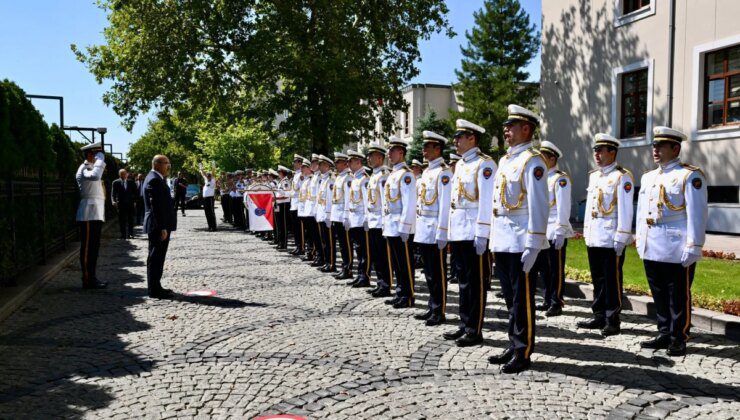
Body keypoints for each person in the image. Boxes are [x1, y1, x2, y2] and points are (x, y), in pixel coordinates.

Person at [487, 105, 549, 373]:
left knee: (522, 300)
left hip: (521, 240)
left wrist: (534, 243)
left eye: (511, 126)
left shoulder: (532, 161)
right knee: (510, 297)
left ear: (526, 129)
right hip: (503, 239)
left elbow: (539, 205)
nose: (506, 130)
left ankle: (523, 351)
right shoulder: (505, 161)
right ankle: (513, 344)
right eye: (506, 126)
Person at [636, 126, 707, 356]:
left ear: (675, 148)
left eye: (660, 146)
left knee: (678, 293)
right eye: (654, 146)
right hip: (652, 242)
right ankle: (664, 331)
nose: (655, 150)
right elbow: (642, 212)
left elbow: (697, 213)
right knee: (658, 292)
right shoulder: (649, 177)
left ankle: (679, 336)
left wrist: (694, 245)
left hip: (677, 245)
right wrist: (639, 238)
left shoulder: (689, 175)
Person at [442, 120, 496, 347]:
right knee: (463, 281)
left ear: (472, 138)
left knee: (476, 283)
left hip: (474, 230)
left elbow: (485, 200)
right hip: (460, 230)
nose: (455, 141)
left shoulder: (485, 165)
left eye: (459, 136)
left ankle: (475, 329)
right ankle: (465, 324)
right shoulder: (463, 164)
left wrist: (483, 233)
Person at [578, 133, 634, 337]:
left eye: (601, 151)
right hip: (595, 236)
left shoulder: (622, 176)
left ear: (612, 152)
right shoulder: (594, 175)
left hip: (611, 237)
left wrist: (622, 235)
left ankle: (613, 319)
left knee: (612, 280)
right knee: (598, 279)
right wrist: (586, 232)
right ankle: (599, 314)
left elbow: (626, 210)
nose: (597, 154)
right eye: (595, 151)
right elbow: (590, 209)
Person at [412, 131, 453, 326]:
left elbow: (445, 205)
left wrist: (442, 231)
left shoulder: (443, 173)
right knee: (428, 272)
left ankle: (439, 309)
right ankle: (432, 306)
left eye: (427, 146)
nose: (423, 150)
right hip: (424, 227)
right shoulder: (427, 171)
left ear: (437, 148)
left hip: (435, 228)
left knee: (438, 272)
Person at [530, 141, 573, 317]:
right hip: (542, 229)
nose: (540, 160)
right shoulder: (541, 177)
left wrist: (561, 229)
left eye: (544, 157)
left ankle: (557, 301)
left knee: (556, 269)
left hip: (555, 229)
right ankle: (547, 298)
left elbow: (563, 207)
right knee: (544, 268)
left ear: (552, 158)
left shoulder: (560, 179)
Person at [382, 136, 416, 309]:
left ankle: (408, 295)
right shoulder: (393, 174)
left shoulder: (406, 175)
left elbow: (409, 203)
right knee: (396, 262)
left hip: (401, 225)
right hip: (391, 223)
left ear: (401, 152)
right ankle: (400, 292)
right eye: (389, 150)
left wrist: (405, 227)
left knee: (405, 262)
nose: (389, 154)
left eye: (392, 151)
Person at [143, 154, 177, 299]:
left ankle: (156, 286)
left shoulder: (156, 178)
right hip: (158, 226)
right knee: (156, 257)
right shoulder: (154, 180)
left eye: (168, 163)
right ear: (156, 164)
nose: (168, 166)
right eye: (166, 163)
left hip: (159, 225)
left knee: (158, 256)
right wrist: (162, 227)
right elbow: (156, 206)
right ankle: (154, 289)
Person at [75, 142, 107, 289]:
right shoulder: (85, 168)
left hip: (95, 213)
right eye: (96, 155)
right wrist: (100, 160)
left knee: (94, 248)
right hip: (88, 213)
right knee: (88, 248)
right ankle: (87, 279)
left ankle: (92, 277)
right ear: (90, 155)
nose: (99, 158)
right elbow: (94, 177)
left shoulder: (91, 167)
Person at [365, 143, 393, 298]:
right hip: (372, 220)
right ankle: (380, 282)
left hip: (380, 222)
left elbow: (384, 202)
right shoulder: (374, 175)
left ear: (380, 158)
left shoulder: (383, 176)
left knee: (383, 256)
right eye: (368, 156)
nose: (369, 159)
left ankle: (386, 285)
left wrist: (384, 222)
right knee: (376, 255)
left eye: (372, 156)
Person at [344, 150, 371, 287]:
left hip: (361, 218)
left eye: (350, 161)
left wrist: (367, 218)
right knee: (358, 249)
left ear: (358, 162)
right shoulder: (354, 178)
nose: (348, 163)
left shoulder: (364, 179)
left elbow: (367, 201)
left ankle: (365, 276)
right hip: (354, 218)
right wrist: (347, 216)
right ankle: (360, 275)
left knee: (363, 249)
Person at [331, 152, 354, 280]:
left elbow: (347, 198)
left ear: (345, 163)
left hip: (343, 215)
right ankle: (344, 266)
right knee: (341, 244)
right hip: (336, 214)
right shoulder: (339, 177)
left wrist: (346, 216)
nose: (336, 165)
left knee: (346, 244)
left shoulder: (348, 178)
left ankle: (348, 268)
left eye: (338, 162)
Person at [315, 155, 336, 273]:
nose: (319, 167)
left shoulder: (331, 179)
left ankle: (332, 263)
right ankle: (327, 262)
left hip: (327, 215)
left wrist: (328, 215)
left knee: (329, 241)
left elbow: (329, 199)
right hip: (321, 214)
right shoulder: (323, 179)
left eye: (322, 165)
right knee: (324, 241)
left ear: (328, 166)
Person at [447, 153, 462, 285]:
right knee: (454, 253)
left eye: (453, 164)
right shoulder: (451, 178)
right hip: (452, 220)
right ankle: (454, 273)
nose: (451, 166)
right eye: (450, 164)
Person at [289, 155, 307, 255]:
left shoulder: (302, 175)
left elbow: (301, 190)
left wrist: (290, 193)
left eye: (295, 162)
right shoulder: (296, 175)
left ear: (300, 163)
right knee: (295, 228)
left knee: (300, 228)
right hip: (294, 204)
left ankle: (302, 247)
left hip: (299, 204)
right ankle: (298, 245)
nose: (294, 164)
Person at [111, 168, 136, 239]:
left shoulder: (131, 182)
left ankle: (130, 233)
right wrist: (113, 201)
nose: (124, 175)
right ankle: (123, 234)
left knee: (130, 219)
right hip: (120, 204)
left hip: (130, 204)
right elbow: (113, 193)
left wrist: (135, 201)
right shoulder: (115, 182)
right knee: (122, 220)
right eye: (122, 174)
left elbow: (135, 193)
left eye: (125, 174)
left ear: (127, 174)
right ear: (119, 175)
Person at [275, 165, 292, 250]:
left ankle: (284, 244)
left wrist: (278, 195)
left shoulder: (285, 182)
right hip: (279, 203)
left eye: (279, 172)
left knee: (284, 225)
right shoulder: (280, 181)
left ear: (282, 172)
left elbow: (287, 195)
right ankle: (280, 242)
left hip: (284, 204)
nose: (278, 173)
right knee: (279, 224)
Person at [199, 162, 218, 231]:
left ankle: (214, 227)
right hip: (205, 198)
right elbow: (202, 174)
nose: (208, 176)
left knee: (211, 213)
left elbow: (213, 173)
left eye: (209, 176)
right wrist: (201, 168)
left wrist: (213, 166)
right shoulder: (206, 180)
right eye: (207, 176)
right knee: (207, 213)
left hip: (210, 198)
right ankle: (210, 226)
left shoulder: (213, 181)